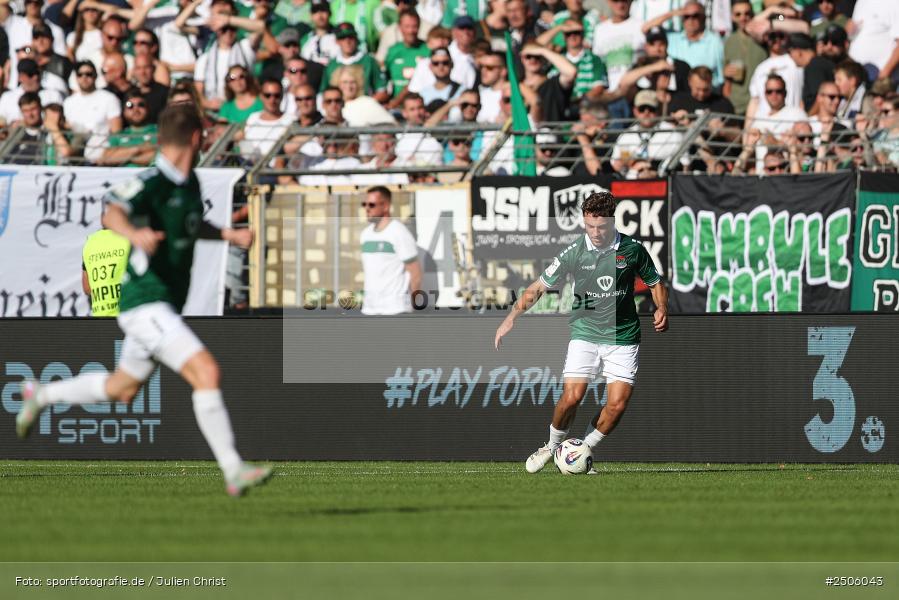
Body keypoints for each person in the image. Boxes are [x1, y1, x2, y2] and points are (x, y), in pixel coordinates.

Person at [16, 103, 273, 498]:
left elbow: (190, 225)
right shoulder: (153, 180)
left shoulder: (189, 183)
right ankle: (233, 469)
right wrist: (134, 234)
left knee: (123, 388)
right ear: (196, 137)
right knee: (206, 372)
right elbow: (113, 212)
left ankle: (42, 394)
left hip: (163, 302)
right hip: (144, 302)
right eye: (204, 135)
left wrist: (228, 235)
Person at [493, 191, 668, 473]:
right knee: (572, 397)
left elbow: (655, 283)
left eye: (601, 226)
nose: (595, 233)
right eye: (589, 226)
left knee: (617, 405)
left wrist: (662, 308)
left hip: (623, 336)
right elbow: (539, 287)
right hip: (585, 333)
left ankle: (579, 451)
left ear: (612, 221)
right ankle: (552, 447)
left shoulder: (632, 249)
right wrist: (511, 317)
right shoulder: (574, 251)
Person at [360, 186, 422, 316]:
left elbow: (415, 272)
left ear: (386, 206)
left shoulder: (399, 232)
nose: (367, 208)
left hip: (396, 310)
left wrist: (413, 304)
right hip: (370, 310)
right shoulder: (365, 234)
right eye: (364, 204)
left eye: (372, 205)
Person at [82, 228, 131, 316]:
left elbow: (87, 288)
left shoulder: (90, 243)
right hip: (127, 313)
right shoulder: (129, 237)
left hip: (102, 316)